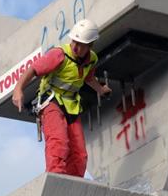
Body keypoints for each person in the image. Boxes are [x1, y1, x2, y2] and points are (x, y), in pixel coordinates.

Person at [12, 19, 111, 177]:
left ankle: (73, 185)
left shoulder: (91, 59)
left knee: (80, 155)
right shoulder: (59, 55)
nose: (75, 46)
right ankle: (55, 178)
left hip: (71, 105)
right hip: (51, 102)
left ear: (90, 45)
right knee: (59, 143)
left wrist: (100, 89)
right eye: (74, 41)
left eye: (81, 44)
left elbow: (88, 77)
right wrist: (18, 89)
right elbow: (33, 69)